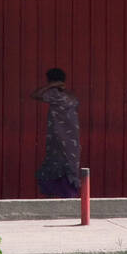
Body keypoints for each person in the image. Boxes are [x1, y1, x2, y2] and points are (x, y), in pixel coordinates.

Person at [32, 68, 81, 198]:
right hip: (71, 139)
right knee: (68, 165)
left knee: (58, 164)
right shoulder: (67, 95)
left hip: (59, 137)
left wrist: (51, 86)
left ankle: (63, 193)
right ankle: (68, 194)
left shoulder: (56, 94)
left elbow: (35, 94)